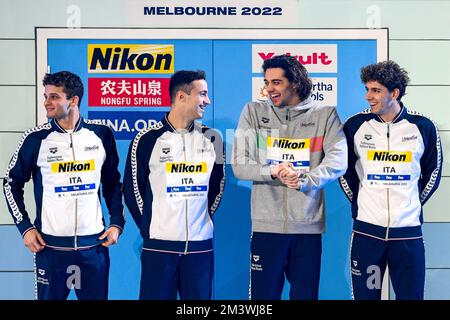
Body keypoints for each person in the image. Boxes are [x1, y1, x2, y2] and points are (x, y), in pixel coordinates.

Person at [231, 54, 347, 300]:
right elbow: (240, 165)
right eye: (267, 82)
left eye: (276, 82)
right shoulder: (253, 111)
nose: (269, 89)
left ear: (294, 82)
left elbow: (339, 160)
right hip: (266, 226)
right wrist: (272, 170)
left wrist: (307, 180)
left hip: (307, 227)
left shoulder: (324, 115)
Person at [3, 71, 125, 300]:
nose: (47, 102)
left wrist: (117, 222)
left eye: (54, 97)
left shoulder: (100, 134)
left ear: (74, 100)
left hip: (93, 247)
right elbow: (10, 183)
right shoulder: (36, 139)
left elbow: (111, 182)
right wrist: (25, 227)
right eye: (46, 96)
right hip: (51, 249)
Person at [339, 60, 443, 300]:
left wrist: (411, 204)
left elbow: (433, 173)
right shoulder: (355, 126)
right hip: (367, 233)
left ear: (394, 93)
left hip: (407, 234)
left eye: (375, 90)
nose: (368, 96)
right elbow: (345, 171)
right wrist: (362, 203)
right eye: (367, 89)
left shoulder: (422, 126)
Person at [123, 70, 225, 300]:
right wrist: (153, 227)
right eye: (202, 94)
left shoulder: (213, 139)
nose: (207, 101)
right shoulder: (146, 139)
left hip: (200, 248)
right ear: (181, 97)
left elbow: (217, 187)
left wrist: (201, 220)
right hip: (159, 248)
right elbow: (132, 190)